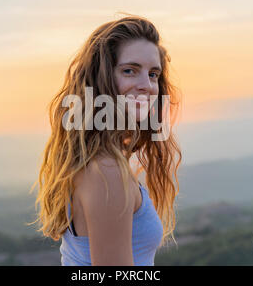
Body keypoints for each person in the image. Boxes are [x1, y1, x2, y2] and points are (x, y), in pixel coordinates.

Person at [31, 14, 182, 266]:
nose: (147, 85)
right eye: (129, 71)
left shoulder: (102, 162)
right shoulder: (106, 171)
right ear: (101, 80)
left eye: (153, 74)